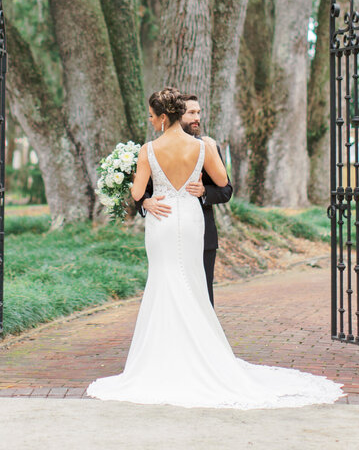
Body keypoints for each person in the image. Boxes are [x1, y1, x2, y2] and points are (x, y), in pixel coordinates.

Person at [87, 87, 342, 409]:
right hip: (192, 219)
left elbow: (138, 191)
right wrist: (197, 187)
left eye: (152, 116)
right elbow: (222, 181)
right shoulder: (203, 146)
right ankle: (201, 355)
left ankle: (164, 359)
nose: (150, 121)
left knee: (164, 281)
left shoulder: (148, 150)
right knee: (191, 283)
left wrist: (144, 198)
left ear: (164, 117)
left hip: (163, 220)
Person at [135, 93, 232, 304]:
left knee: (202, 294)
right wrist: (144, 201)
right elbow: (145, 190)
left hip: (202, 232)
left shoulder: (208, 146)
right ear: (178, 115)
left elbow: (226, 190)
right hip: (166, 224)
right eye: (191, 113)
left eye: (199, 112)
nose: (197, 117)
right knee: (167, 285)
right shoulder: (155, 150)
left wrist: (204, 191)